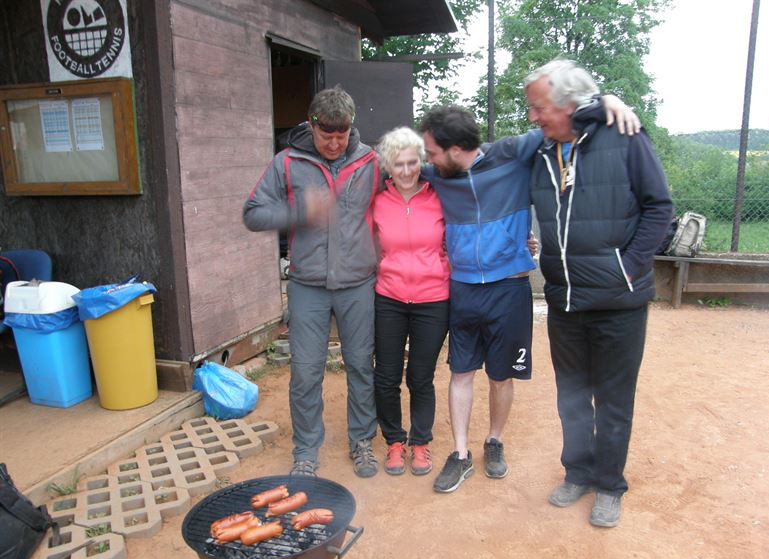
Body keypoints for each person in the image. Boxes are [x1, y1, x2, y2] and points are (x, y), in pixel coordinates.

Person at [418, 95, 640, 494]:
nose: (427, 161)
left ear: (455, 149)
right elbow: (394, 164)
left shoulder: (512, 155)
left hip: (509, 287)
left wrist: (604, 102)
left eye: (432, 152)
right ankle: (461, 453)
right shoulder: (438, 175)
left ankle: (495, 441)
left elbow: (560, 122)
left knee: (501, 375)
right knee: (461, 371)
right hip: (463, 287)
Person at [526, 59, 673, 527]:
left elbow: (659, 207)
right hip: (565, 299)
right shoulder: (541, 150)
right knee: (571, 396)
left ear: (569, 104)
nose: (532, 116)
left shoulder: (625, 136)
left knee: (613, 399)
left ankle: (609, 485)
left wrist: (627, 268)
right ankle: (577, 473)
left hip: (618, 302)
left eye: (539, 107)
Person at [243, 86, 380, 478]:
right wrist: (300, 209)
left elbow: (406, 193)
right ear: (311, 124)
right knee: (305, 372)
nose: (334, 143)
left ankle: (362, 441)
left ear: (351, 127)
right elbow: (253, 213)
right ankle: (305, 449)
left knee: (361, 366)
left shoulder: (370, 161)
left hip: (358, 283)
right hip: (307, 285)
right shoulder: (287, 163)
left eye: (342, 134)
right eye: (326, 135)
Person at [372, 127, 450, 476]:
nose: (406, 171)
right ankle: (394, 441)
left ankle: (420, 443)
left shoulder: (439, 196)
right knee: (386, 376)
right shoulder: (378, 201)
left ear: (422, 162)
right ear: (388, 167)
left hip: (433, 299)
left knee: (421, 376)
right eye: (398, 164)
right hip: (389, 297)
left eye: (412, 162)